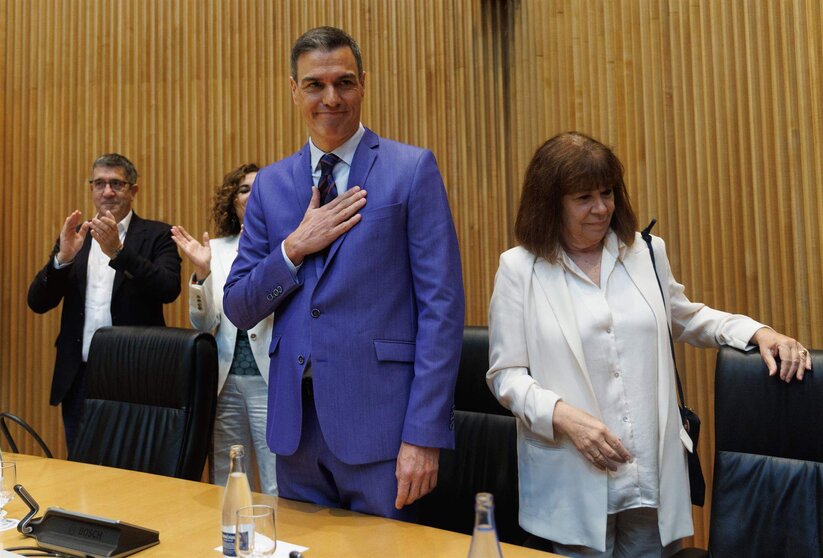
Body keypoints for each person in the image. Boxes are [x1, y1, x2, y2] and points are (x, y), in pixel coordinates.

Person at [486, 132, 811, 557]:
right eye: (583, 197)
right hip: (572, 475)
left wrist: (757, 332)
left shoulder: (645, 251)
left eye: (607, 193)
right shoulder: (519, 270)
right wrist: (562, 416)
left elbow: (687, 316)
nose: (601, 208)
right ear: (551, 203)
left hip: (649, 474)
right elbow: (505, 375)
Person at [223, 26, 464, 520]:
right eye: (315, 84)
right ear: (293, 91)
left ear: (362, 84)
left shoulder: (411, 169)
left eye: (344, 82)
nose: (330, 98)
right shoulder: (270, 186)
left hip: (386, 433)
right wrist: (293, 248)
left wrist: (424, 434)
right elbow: (238, 305)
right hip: (296, 435)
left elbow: (442, 309)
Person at [28, 153, 182, 451]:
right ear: (91, 189)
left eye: (116, 184)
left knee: (134, 469)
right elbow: (37, 302)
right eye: (99, 183)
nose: (107, 191)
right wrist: (61, 260)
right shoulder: (76, 237)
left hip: (136, 374)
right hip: (80, 375)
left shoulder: (157, 234)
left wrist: (119, 252)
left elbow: (168, 288)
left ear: (133, 190)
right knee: (83, 469)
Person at [170, 163, 277, 495]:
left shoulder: (289, 245)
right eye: (243, 189)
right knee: (227, 477)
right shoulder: (213, 250)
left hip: (271, 379)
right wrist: (202, 274)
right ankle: (229, 542)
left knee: (278, 479)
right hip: (224, 380)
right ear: (233, 201)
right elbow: (202, 324)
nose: (251, 194)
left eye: (260, 188)